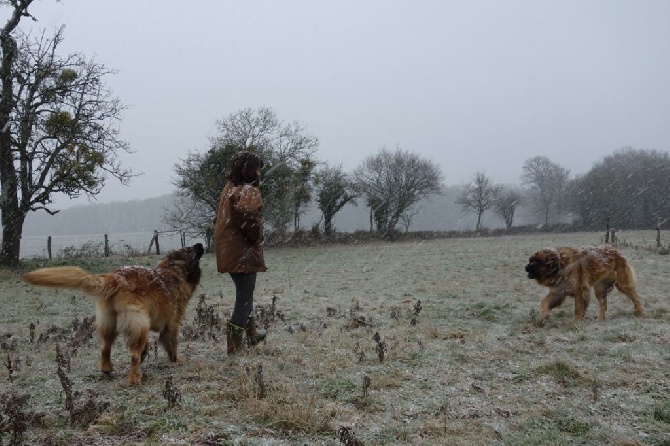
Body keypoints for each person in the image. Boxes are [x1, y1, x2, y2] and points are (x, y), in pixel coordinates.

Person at [213, 151, 267, 354]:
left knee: (245, 293)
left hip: (230, 250)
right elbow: (249, 218)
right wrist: (256, 237)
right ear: (249, 169)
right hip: (241, 251)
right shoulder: (247, 190)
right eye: (257, 168)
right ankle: (234, 347)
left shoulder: (230, 188)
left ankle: (251, 335)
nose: (259, 173)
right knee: (244, 296)